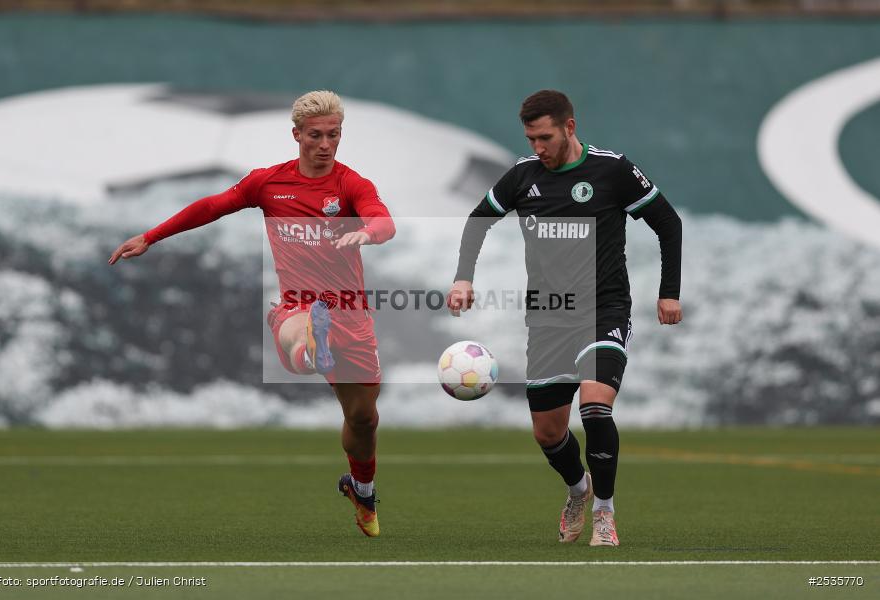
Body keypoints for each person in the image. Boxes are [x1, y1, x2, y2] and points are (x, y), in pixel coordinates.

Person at [109, 90, 395, 538]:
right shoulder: (269, 183)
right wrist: (151, 235)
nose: (325, 144)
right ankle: (309, 349)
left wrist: (369, 235)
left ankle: (361, 489)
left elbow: (382, 218)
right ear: (296, 134)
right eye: (315, 135)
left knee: (364, 419)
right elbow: (212, 206)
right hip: (298, 304)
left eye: (334, 135)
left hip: (351, 316)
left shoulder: (350, 185)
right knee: (301, 326)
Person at [447, 90, 682, 546]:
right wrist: (462, 279)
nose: (539, 147)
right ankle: (578, 489)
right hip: (549, 318)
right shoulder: (523, 176)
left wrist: (668, 293)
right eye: (531, 139)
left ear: (570, 128)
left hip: (604, 310)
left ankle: (604, 513)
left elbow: (667, 222)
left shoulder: (612, 170)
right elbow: (478, 219)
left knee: (595, 407)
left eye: (546, 137)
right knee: (548, 432)